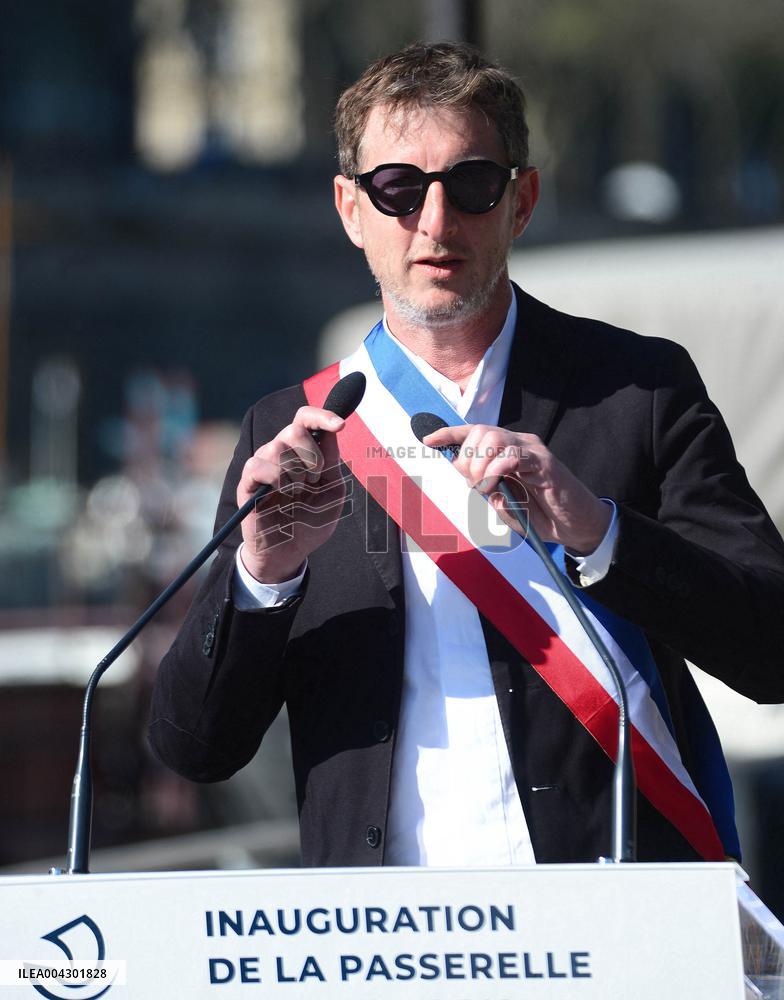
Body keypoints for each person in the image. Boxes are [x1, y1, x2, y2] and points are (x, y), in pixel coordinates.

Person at [149, 41, 784, 868]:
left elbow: (772, 653)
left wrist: (601, 534)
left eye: (472, 185)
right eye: (399, 190)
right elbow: (195, 747)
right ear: (350, 210)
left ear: (521, 202)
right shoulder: (293, 430)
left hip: (610, 924)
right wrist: (263, 578)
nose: (436, 224)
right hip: (387, 943)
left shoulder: (637, 391)